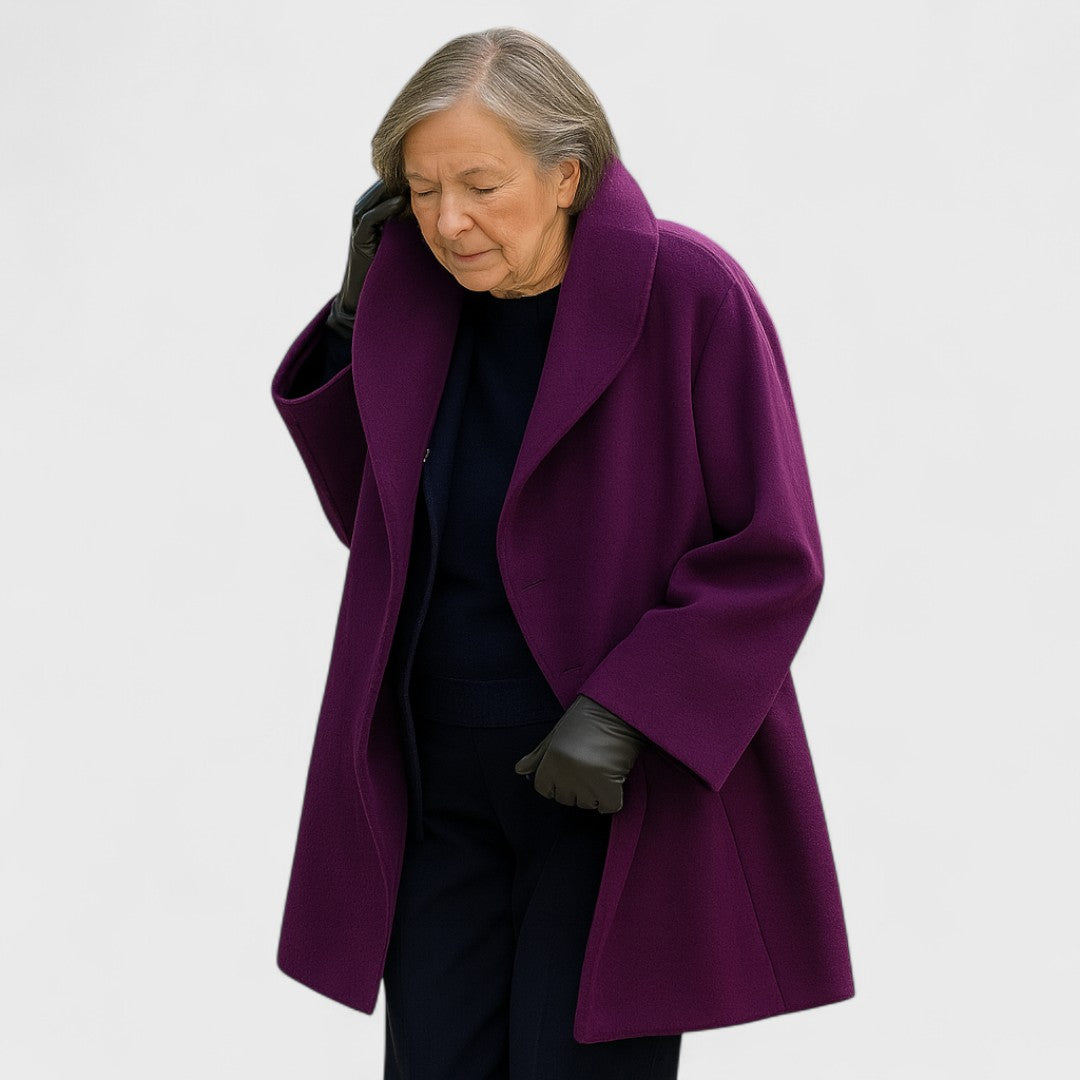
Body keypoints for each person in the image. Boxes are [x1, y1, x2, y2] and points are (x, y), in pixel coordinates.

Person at [270, 26, 854, 1080]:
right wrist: (358, 326)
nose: (448, 221)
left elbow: (775, 554)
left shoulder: (693, 293)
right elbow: (374, 524)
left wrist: (629, 711)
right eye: (423, 190)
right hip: (435, 781)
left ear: (567, 176)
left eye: (481, 185)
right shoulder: (420, 302)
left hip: (602, 788)